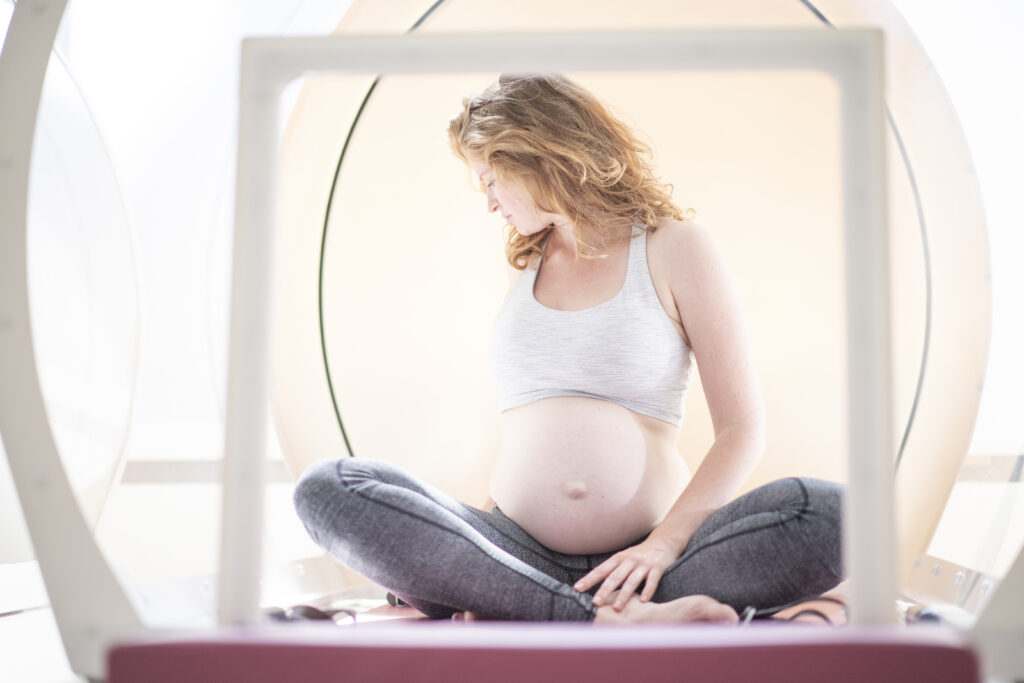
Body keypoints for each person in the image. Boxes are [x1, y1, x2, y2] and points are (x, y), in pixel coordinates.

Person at [293, 74, 843, 624]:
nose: (488, 204)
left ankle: (531, 602)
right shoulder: (527, 268)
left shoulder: (674, 248)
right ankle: (601, 617)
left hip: (653, 560)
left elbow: (742, 430)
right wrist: (465, 545)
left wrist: (662, 546)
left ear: (538, 156)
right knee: (327, 489)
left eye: (490, 180)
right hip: (513, 550)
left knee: (834, 515)